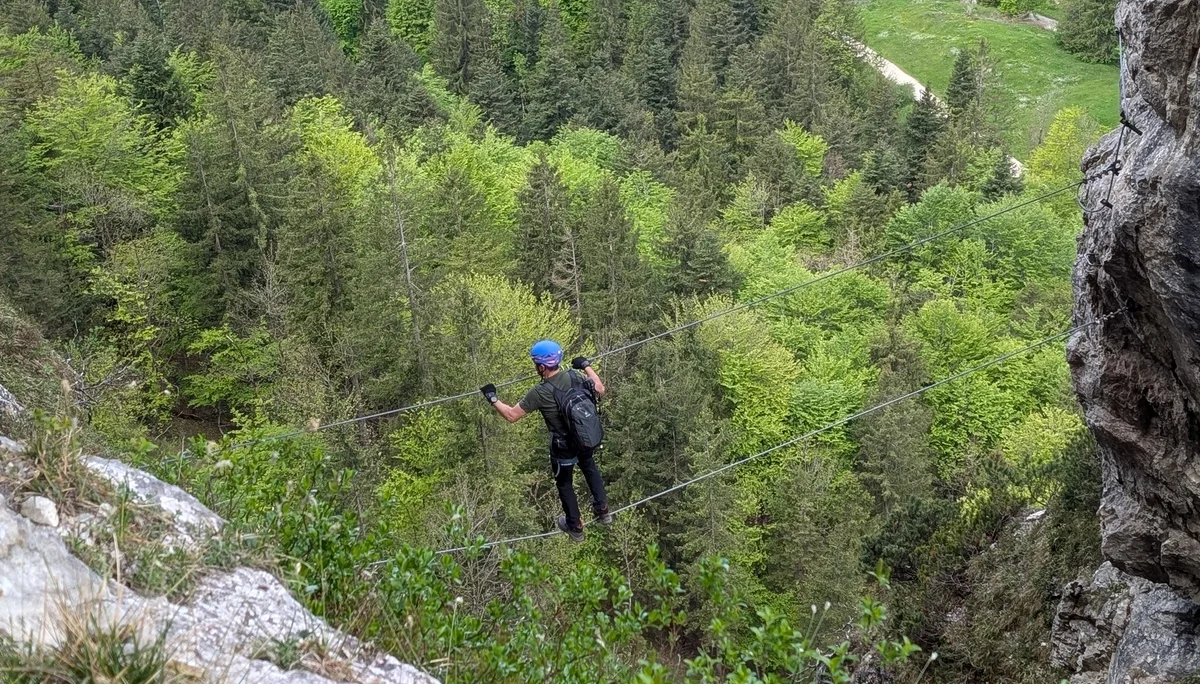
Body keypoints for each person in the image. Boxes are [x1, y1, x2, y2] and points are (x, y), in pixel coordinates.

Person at [479, 339, 612, 541]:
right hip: (584, 437)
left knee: (565, 484)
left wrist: (492, 398)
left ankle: (574, 525)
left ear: (541, 367)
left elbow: (512, 415)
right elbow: (600, 388)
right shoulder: (574, 375)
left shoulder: (540, 392)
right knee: (589, 467)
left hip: (563, 446)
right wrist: (586, 366)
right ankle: (603, 510)